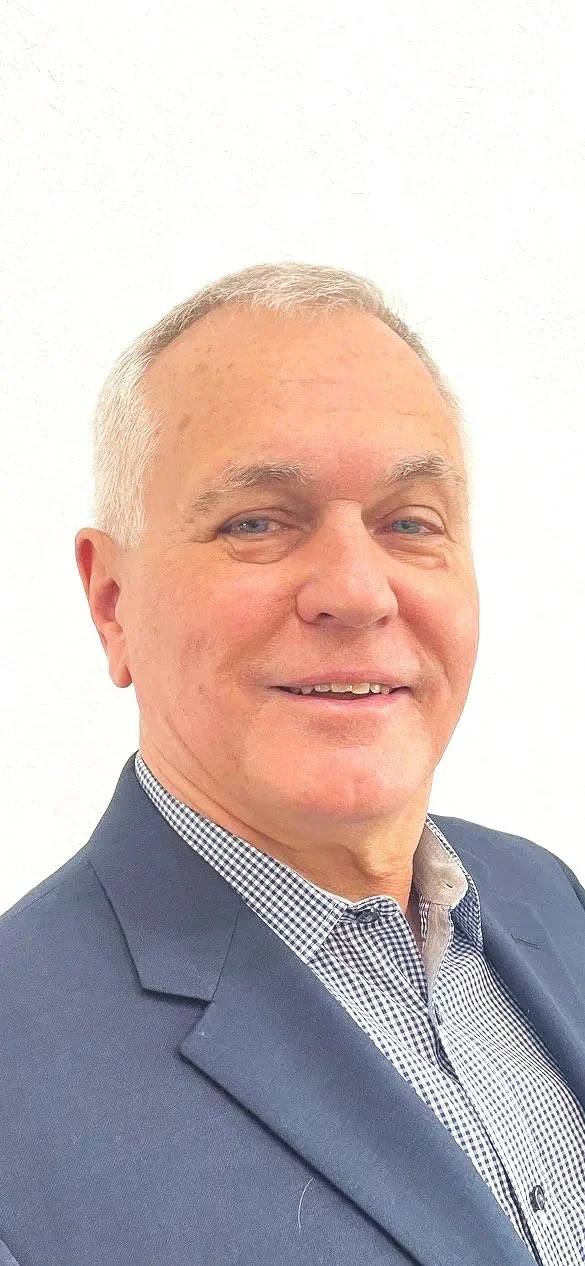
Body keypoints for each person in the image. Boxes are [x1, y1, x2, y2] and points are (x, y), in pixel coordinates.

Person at [1, 261, 584, 1266]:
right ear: (111, 604)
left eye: (410, 522)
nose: (357, 593)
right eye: (257, 522)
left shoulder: (547, 897)